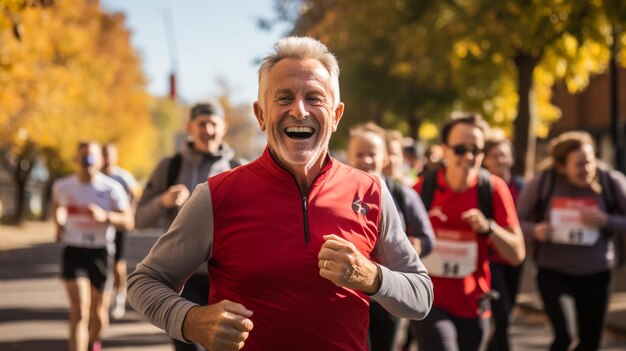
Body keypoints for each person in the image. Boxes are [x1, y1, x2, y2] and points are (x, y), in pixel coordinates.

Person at [128, 36, 433, 351]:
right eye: (283, 98)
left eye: (314, 97)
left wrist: (373, 277)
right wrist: (192, 320)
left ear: (337, 115)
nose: (299, 110)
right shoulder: (216, 196)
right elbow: (144, 282)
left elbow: (420, 296)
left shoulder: (371, 191)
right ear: (261, 115)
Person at [411, 112, 525, 351]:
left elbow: (517, 254)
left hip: (474, 303)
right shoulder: (423, 189)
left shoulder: (492, 189)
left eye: (477, 150)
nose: (470, 156)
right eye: (461, 149)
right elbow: (396, 242)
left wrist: (489, 228)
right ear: (445, 150)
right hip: (429, 300)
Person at [134, 100, 242, 351]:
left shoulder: (240, 168)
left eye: (213, 124)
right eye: (201, 124)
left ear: (223, 127)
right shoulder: (170, 167)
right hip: (185, 277)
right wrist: (164, 201)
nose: (208, 130)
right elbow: (139, 219)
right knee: (190, 347)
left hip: (226, 277)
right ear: (189, 128)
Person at [517, 131, 626, 351]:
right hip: (554, 271)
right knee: (564, 336)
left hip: (597, 272)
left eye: (589, 162)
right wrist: (535, 230)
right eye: (578, 165)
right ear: (561, 166)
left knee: (590, 342)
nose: (586, 169)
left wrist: (607, 220)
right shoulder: (544, 181)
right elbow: (516, 220)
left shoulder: (609, 180)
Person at [346, 122, 435, 351]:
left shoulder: (403, 195)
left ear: (385, 157)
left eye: (372, 154)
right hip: (349, 297)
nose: (366, 160)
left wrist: (415, 246)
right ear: (349, 155)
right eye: (359, 154)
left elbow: (428, 238)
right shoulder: (338, 193)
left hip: (389, 295)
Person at [53, 141, 134, 351]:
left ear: (100, 160)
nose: (87, 162)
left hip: (100, 251)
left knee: (98, 313)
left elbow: (129, 221)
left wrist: (105, 216)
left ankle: (93, 342)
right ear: (76, 159)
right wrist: (58, 225)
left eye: (91, 157)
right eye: (83, 157)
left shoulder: (111, 188)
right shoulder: (63, 186)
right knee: (80, 311)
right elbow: (56, 203)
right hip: (73, 249)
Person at [481, 134, 525, 351]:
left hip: (515, 258)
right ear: (486, 160)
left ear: (511, 158)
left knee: (507, 314)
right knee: (503, 316)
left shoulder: (521, 186)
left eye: (504, 155)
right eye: (494, 156)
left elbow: (528, 219)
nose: (500, 160)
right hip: (491, 258)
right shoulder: (482, 187)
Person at [101, 143, 138, 320]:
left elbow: (136, 195)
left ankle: (120, 296)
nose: (106, 158)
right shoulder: (97, 175)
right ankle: (104, 296)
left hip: (119, 226)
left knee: (118, 264)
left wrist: (129, 213)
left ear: (115, 156)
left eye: (109, 154)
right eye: (104, 154)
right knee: (102, 261)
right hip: (101, 226)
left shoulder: (123, 177)